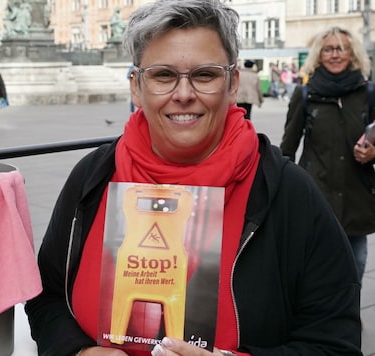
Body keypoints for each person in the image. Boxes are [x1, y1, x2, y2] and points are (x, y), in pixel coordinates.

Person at [25, 1, 361, 355]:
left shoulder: (289, 193)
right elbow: (46, 296)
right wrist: (78, 351)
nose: (183, 94)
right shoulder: (92, 178)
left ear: (232, 84)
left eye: (204, 74)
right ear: (136, 87)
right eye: (163, 75)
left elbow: (335, 342)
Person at [280, 26, 375, 287]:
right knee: (316, 266)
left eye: (342, 48)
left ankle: (349, 316)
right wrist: (282, 190)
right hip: (315, 193)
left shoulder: (368, 94)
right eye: (329, 49)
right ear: (319, 55)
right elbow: (287, 147)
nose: (335, 54)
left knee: (355, 263)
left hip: (357, 193)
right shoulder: (305, 94)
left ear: (353, 54)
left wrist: (372, 153)